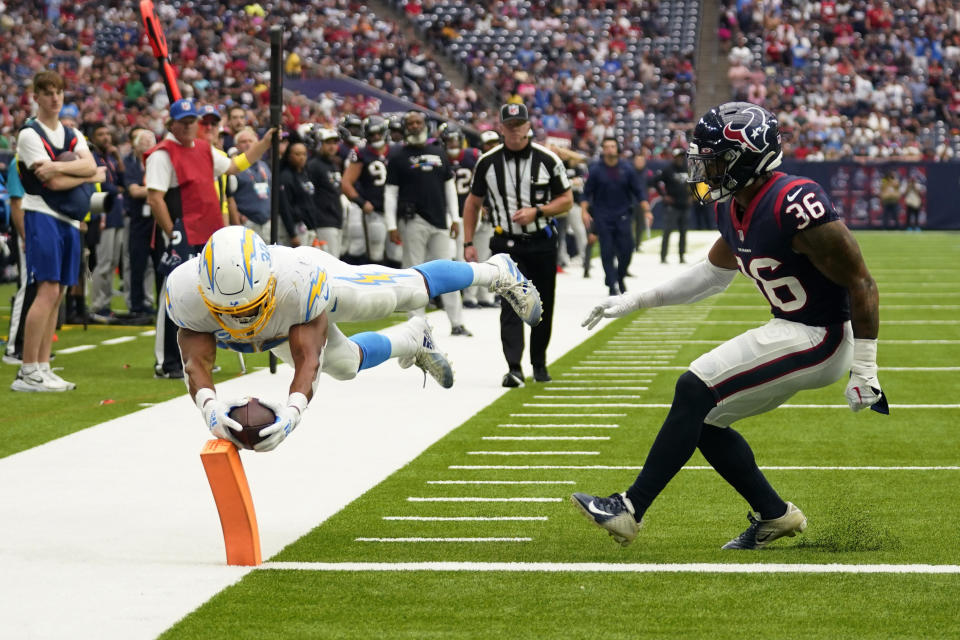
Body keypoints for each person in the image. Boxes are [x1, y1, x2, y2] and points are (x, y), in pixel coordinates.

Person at [572, 102, 887, 550]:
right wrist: (633, 300)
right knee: (705, 421)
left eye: (715, 159)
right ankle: (775, 514)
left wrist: (866, 369)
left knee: (694, 386)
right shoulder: (735, 204)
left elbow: (862, 282)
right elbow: (709, 276)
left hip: (822, 336)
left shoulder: (795, 203)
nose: (704, 169)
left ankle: (630, 509)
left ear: (748, 158)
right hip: (794, 327)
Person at [168, 225, 542, 451]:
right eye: (229, 311)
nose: (241, 318)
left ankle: (494, 270)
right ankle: (413, 340)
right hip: (276, 325)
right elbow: (195, 362)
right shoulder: (184, 293)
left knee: (407, 291)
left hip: (323, 289)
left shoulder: (297, 283)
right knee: (344, 367)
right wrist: (210, 411)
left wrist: (292, 413)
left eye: (249, 306)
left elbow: (307, 359)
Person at [145, 97, 275, 379]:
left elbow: (234, 166)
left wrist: (263, 143)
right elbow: (155, 198)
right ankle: (166, 361)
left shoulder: (205, 149)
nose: (191, 127)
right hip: (182, 233)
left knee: (203, 297)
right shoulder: (162, 154)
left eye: (194, 122)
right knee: (173, 296)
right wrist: (172, 233)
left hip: (207, 232)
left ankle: (197, 356)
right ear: (173, 125)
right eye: (185, 122)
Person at [461, 102, 572, 386]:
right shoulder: (487, 162)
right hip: (505, 245)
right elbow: (472, 203)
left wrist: (539, 211)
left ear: (528, 126)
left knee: (542, 305)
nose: (514, 131)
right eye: (509, 127)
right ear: (500, 128)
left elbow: (567, 200)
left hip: (542, 242)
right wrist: (469, 241)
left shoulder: (548, 159)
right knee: (510, 305)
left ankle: (539, 362)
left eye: (518, 126)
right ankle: (514, 367)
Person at [13, 71, 103, 391]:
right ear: (35, 97)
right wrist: (80, 172)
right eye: (47, 92)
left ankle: (43, 365)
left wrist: (62, 167)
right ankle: (27, 370)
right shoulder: (29, 134)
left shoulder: (72, 132)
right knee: (47, 290)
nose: (54, 98)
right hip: (42, 214)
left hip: (68, 219)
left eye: (59, 92)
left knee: (60, 292)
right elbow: (52, 182)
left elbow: (91, 167)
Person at [384, 110, 469, 337]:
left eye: (418, 122)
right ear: (405, 127)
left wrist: (455, 217)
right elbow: (390, 193)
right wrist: (391, 225)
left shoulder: (438, 152)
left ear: (425, 125)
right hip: (413, 220)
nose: (414, 125)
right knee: (413, 274)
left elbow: (449, 186)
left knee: (448, 272)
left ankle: (457, 322)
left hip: (440, 220)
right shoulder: (398, 156)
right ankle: (416, 326)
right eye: (410, 122)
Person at [581, 137, 649, 295]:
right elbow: (586, 194)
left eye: (612, 146)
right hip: (602, 216)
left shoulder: (627, 169)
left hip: (623, 215)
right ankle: (612, 285)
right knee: (607, 251)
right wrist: (584, 211)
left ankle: (619, 276)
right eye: (606, 146)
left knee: (627, 250)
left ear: (617, 149)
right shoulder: (596, 170)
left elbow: (638, 192)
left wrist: (647, 209)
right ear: (603, 149)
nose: (610, 149)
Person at [439, 122, 482, 323]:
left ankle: (468, 295)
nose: (453, 143)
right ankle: (450, 295)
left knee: (467, 255)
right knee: (451, 255)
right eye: (449, 140)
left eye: (455, 139)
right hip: (448, 212)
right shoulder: (439, 157)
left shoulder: (472, 155)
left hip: (468, 210)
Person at [88, 122, 126, 323]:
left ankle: (106, 304)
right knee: (103, 263)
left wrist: (118, 157)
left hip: (116, 214)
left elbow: (123, 181)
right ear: (93, 138)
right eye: (100, 134)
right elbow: (105, 185)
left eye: (107, 134)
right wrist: (116, 189)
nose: (105, 138)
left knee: (111, 263)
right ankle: (97, 305)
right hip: (103, 213)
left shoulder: (110, 158)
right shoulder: (93, 158)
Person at [341, 115, 392, 264]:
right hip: (373, 210)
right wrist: (362, 202)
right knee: (372, 252)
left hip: (394, 210)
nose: (376, 137)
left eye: (378, 133)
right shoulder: (361, 152)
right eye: (372, 134)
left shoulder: (396, 151)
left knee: (396, 254)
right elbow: (346, 183)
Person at [462, 129, 501, 308]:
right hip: (477, 213)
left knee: (487, 257)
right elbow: (473, 191)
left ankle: (485, 295)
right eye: (489, 144)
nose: (492, 146)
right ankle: (470, 296)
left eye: (495, 143)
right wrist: (481, 205)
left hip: (492, 216)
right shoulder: (479, 163)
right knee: (473, 256)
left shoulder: (499, 162)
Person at [121, 127, 157, 318]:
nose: (147, 149)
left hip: (155, 218)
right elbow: (134, 191)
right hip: (137, 219)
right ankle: (136, 304)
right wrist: (157, 190)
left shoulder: (157, 163)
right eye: (143, 145)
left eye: (150, 145)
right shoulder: (130, 164)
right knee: (137, 264)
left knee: (155, 265)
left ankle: (150, 301)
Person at [306, 128, 345, 256]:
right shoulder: (313, 165)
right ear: (319, 144)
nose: (332, 146)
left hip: (335, 219)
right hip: (323, 221)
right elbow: (309, 196)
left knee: (336, 260)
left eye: (335, 143)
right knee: (330, 263)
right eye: (328, 143)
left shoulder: (333, 165)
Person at [232, 127, 272, 241]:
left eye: (251, 141)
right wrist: (238, 218)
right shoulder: (233, 167)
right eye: (243, 142)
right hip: (247, 223)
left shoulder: (264, 165)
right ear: (237, 146)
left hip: (266, 223)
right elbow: (229, 197)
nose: (247, 144)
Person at [278, 139, 319, 248]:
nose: (301, 157)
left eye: (304, 154)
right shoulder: (285, 177)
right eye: (297, 154)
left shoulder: (305, 174)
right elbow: (285, 207)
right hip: (296, 227)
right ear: (289, 156)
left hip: (309, 226)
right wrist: (292, 234)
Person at [656, 147, 692, 264]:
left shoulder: (688, 169)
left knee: (683, 232)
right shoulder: (668, 169)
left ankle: (681, 256)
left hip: (684, 206)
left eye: (682, 157)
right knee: (667, 231)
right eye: (678, 157)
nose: (680, 159)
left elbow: (694, 183)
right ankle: (663, 256)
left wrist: (692, 196)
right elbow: (655, 181)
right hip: (673, 207)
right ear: (674, 157)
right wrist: (663, 195)